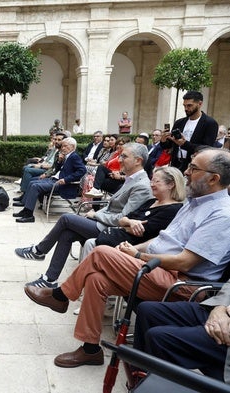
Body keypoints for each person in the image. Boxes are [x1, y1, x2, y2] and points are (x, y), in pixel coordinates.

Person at [23, 148, 230, 368]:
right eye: (189, 165)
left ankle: (60, 295)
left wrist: (139, 255)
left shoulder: (220, 214)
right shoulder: (194, 201)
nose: (186, 171)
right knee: (96, 279)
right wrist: (131, 250)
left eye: (193, 168)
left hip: (181, 283)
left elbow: (185, 261)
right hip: (157, 269)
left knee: (100, 252)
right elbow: (163, 240)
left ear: (213, 179)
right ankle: (90, 349)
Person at [15, 143, 152, 288]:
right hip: (103, 223)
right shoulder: (131, 179)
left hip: (112, 231)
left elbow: (123, 219)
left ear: (138, 160)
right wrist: (95, 214)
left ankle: (39, 251)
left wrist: (95, 215)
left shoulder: (141, 186)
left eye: (124, 156)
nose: (118, 159)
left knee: (66, 218)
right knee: (66, 233)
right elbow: (112, 208)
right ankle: (49, 280)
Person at [79, 166, 185, 260]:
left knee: (74, 227)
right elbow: (122, 219)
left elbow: (143, 232)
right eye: (151, 181)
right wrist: (130, 222)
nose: (151, 185)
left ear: (171, 185)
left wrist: (127, 223)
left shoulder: (173, 209)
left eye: (156, 181)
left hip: (133, 250)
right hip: (118, 240)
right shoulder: (151, 201)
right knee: (89, 242)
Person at [133, 281, 230, 383]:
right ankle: (138, 383)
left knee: (159, 338)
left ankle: (150, 386)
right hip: (224, 309)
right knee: (147, 311)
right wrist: (220, 306)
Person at [13, 137, 86, 223]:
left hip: (62, 184)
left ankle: (29, 215)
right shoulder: (67, 156)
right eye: (62, 146)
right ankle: (26, 210)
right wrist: (59, 161)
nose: (63, 148)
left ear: (73, 147)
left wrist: (66, 180)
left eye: (65, 146)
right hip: (54, 179)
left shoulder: (74, 157)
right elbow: (58, 170)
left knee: (35, 186)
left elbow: (82, 170)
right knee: (32, 182)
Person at [160, 91, 219, 172]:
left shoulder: (210, 123)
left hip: (195, 167)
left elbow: (206, 149)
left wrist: (184, 144)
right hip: (176, 164)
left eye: (189, 105)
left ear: (200, 104)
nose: (186, 108)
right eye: (184, 105)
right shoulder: (179, 122)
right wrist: (163, 140)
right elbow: (169, 145)